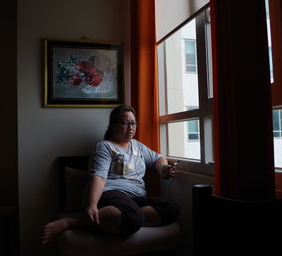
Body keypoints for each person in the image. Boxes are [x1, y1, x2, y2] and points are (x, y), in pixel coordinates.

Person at [41, 105, 179, 244]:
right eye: (125, 123)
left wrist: (163, 169)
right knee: (133, 217)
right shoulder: (105, 147)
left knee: (171, 208)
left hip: (135, 198)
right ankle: (74, 222)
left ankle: (121, 217)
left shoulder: (137, 146)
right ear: (112, 125)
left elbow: (157, 159)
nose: (131, 127)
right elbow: (99, 177)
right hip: (110, 193)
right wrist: (92, 204)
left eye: (133, 123)